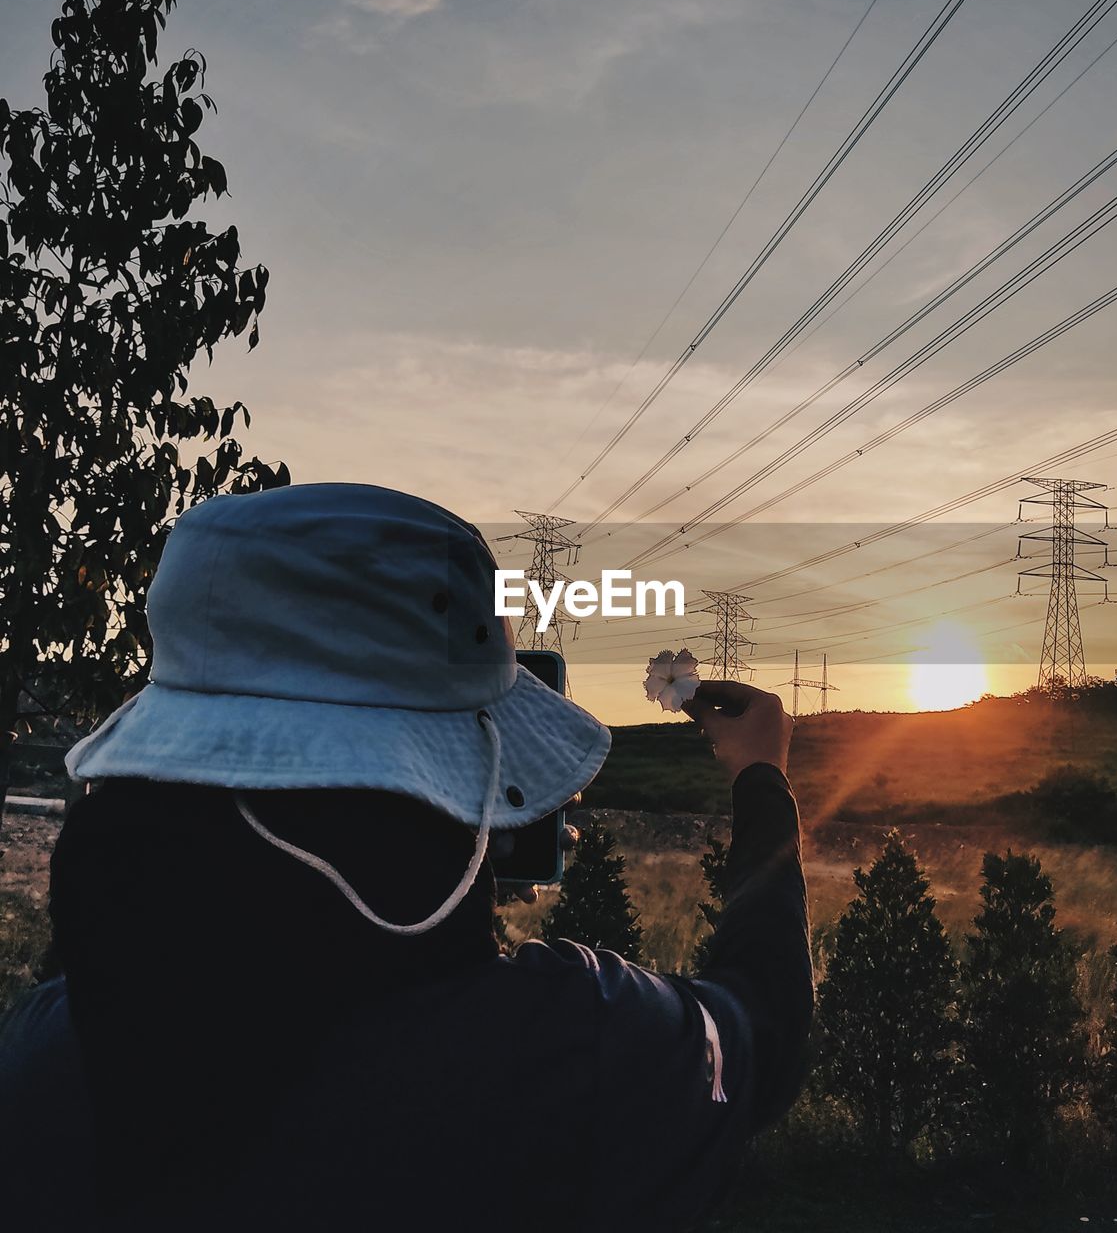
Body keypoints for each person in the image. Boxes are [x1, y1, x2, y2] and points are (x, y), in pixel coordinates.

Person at [0, 483, 811, 1231]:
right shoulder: (575, 1050)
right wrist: (762, 781)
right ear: (449, 790)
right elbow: (762, 1028)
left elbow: (140, 920)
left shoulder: (44, 1054)